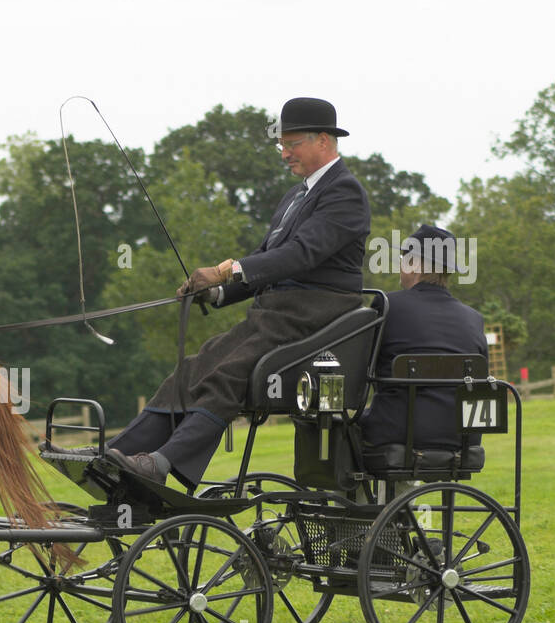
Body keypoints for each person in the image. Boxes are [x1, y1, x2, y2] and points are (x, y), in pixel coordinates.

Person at [104, 97, 371, 488]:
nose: (284, 154)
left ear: (324, 142)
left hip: (316, 315)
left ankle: (160, 464)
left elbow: (301, 255)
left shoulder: (345, 192)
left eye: (292, 144)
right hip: (277, 314)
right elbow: (267, 259)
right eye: (281, 145)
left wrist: (226, 269)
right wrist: (216, 294)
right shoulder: (295, 197)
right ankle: (115, 454)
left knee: (228, 372)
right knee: (193, 368)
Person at [359, 223, 487, 451]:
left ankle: (353, 488)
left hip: (397, 432)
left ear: (414, 265)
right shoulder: (474, 318)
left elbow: (362, 368)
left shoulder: (388, 305)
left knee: (338, 427)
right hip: (462, 437)